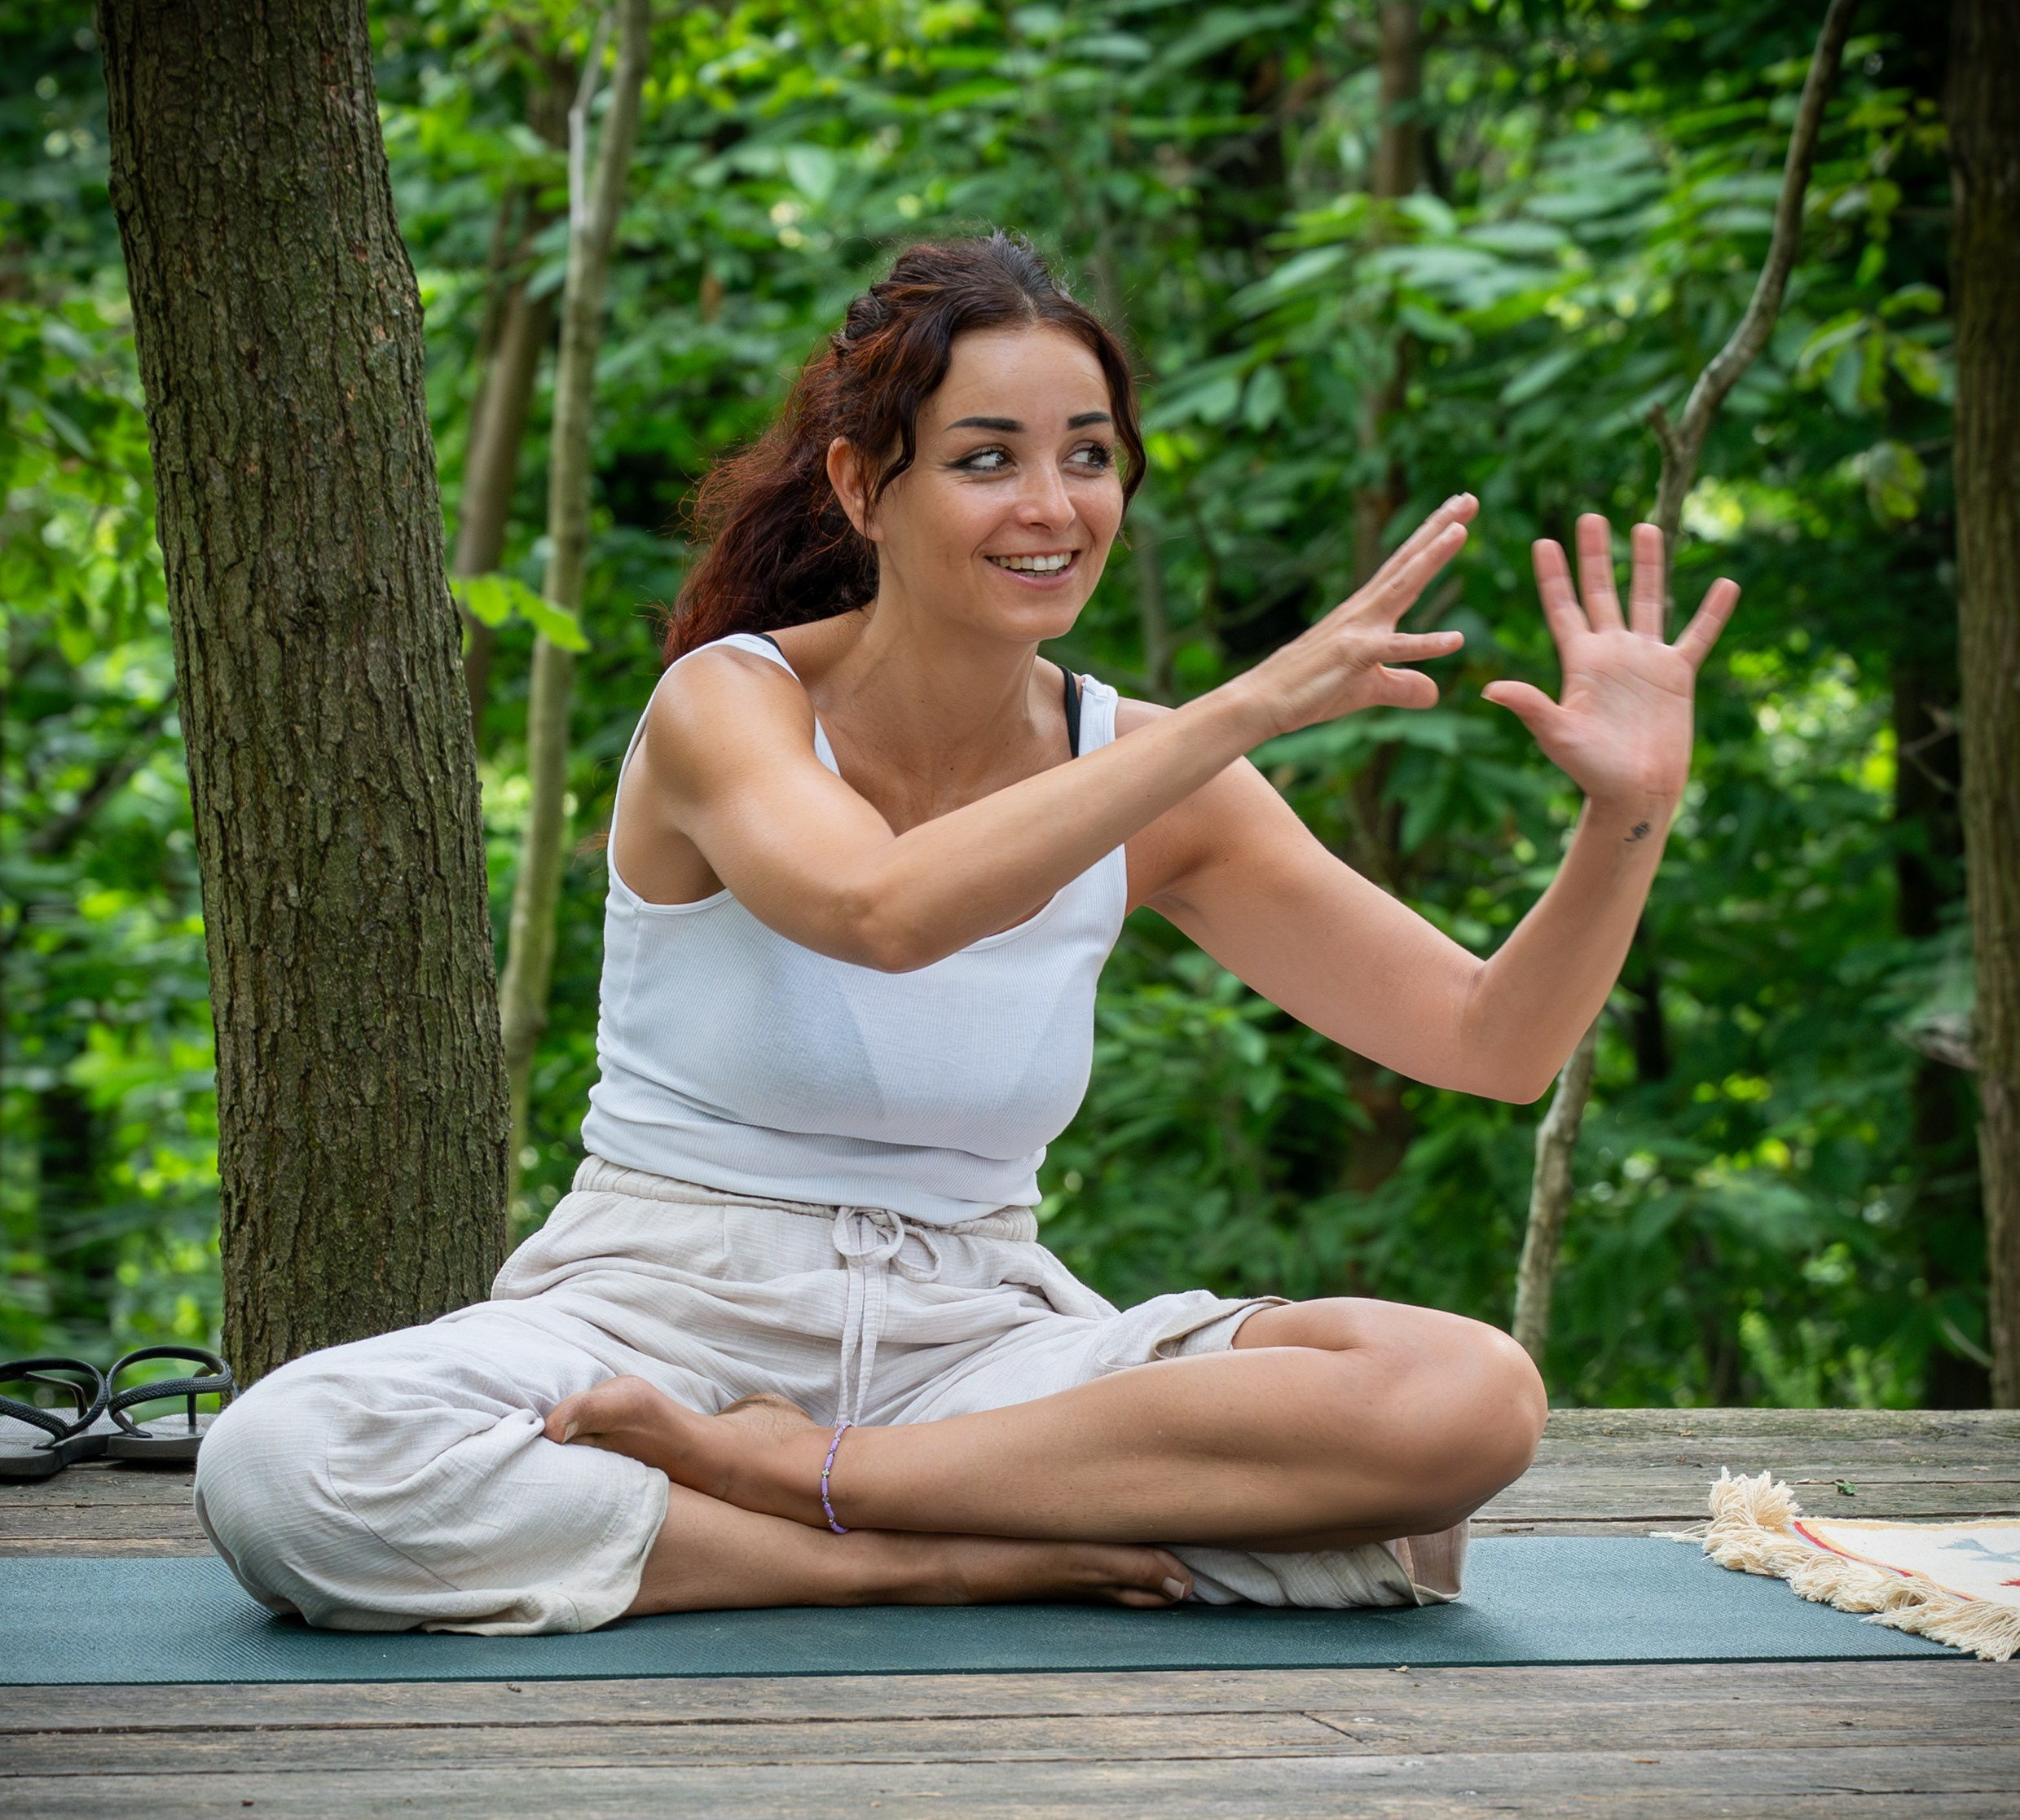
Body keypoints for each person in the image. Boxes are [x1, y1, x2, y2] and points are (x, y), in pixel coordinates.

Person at [193, 232, 1738, 1634]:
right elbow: (878, 912)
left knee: (1459, 1405)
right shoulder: (731, 706)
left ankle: (820, 1483)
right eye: (988, 459)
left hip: (977, 1357)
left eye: (1089, 458)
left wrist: (1626, 819)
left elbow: (1493, 1045)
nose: (1053, 508)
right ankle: (936, 1554)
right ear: (867, 487)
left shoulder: (1152, 768)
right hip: (662, 1311)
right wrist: (1254, 703)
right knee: (288, 1467)